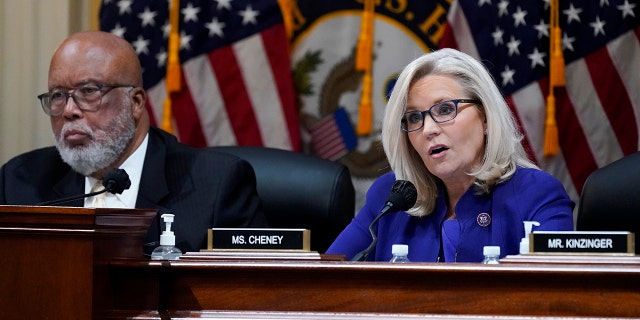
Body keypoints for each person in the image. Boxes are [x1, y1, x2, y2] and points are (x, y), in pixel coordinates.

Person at [0, 31, 268, 256]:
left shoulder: (217, 185)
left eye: (89, 91)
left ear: (136, 102)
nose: (69, 110)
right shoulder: (19, 184)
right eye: (58, 95)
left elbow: (249, 297)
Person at [326, 48, 574, 262]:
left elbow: (554, 301)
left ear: (485, 117)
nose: (428, 129)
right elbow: (322, 283)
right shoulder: (389, 199)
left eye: (445, 110)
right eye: (414, 117)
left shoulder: (537, 194)